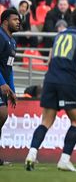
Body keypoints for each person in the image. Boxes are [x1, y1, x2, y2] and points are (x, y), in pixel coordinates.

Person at [25, 6, 76, 172]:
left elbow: (50, 59)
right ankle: (64, 159)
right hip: (69, 81)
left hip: (50, 80)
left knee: (46, 122)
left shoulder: (60, 34)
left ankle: (31, 154)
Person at [0, 9, 19, 167]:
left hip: (4, 87)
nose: (18, 22)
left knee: (2, 117)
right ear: (5, 21)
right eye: (15, 19)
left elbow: (9, 68)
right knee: (2, 114)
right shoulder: (0, 36)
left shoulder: (13, 42)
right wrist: (2, 82)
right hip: (0, 85)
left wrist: (12, 89)